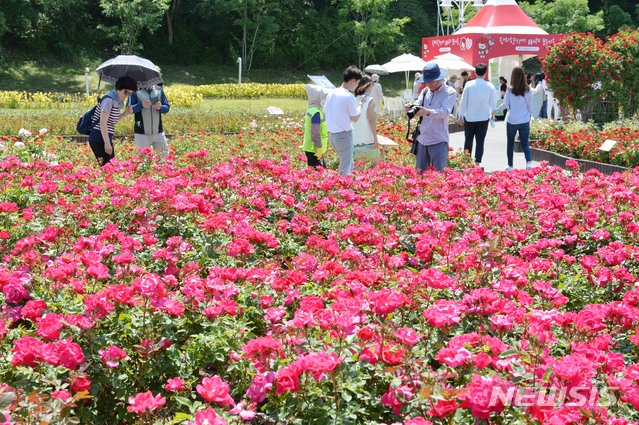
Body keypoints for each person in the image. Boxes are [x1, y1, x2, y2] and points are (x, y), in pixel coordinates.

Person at [405, 63, 457, 172]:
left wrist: (428, 112)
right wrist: (411, 107)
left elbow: (445, 112)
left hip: (438, 140)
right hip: (422, 139)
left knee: (439, 176)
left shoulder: (450, 92)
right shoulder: (425, 91)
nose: (429, 84)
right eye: (427, 81)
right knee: (420, 175)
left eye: (432, 81)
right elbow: (418, 103)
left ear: (439, 79)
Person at [324, 65, 364, 176]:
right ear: (353, 81)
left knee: (348, 163)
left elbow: (325, 113)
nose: (356, 86)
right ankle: (342, 190)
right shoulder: (348, 96)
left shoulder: (331, 93)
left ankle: (345, 187)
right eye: (357, 83)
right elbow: (355, 118)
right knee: (345, 168)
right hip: (344, 135)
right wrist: (360, 105)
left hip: (332, 136)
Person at [88, 76, 136, 167]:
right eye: (126, 92)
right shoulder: (108, 100)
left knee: (110, 167)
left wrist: (125, 114)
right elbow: (103, 122)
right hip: (99, 137)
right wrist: (107, 142)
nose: (126, 96)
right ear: (119, 88)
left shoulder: (116, 101)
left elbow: (111, 122)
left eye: (130, 94)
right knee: (108, 168)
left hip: (104, 137)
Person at [493, 66, 533, 172]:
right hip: (524, 120)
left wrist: (495, 110)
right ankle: (528, 163)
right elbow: (530, 106)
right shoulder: (528, 90)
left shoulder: (510, 90)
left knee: (510, 143)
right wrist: (530, 117)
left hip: (512, 120)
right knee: (525, 143)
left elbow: (505, 105)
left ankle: (510, 166)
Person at [457, 63, 496, 168]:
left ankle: (466, 161)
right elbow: (493, 103)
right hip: (483, 117)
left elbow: (463, 101)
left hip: (469, 116)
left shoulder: (469, 85)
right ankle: (477, 162)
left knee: (468, 139)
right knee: (480, 141)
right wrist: (493, 113)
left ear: (475, 72)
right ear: (485, 72)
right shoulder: (490, 86)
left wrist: (460, 116)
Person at [129, 84, 171, 159]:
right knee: (143, 163)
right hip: (141, 134)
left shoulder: (159, 89)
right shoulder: (134, 91)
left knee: (165, 159)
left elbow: (167, 107)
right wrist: (141, 105)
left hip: (158, 133)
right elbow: (129, 109)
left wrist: (160, 107)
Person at [352, 76, 380, 169]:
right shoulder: (370, 100)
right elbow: (371, 120)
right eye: (371, 84)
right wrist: (375, 138)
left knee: (357, 167)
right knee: (376, 164)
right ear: (367, 86)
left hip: (355, 137)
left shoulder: (353, 99)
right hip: (368, 137)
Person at [302, 84, 330, 167]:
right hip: (314, 149)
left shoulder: (311, 110)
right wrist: (319, 148)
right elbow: (315, 132)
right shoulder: (315, 113)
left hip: (311, 148)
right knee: (318, 174)